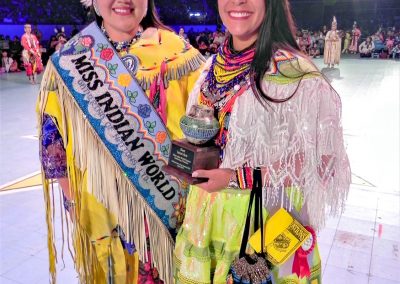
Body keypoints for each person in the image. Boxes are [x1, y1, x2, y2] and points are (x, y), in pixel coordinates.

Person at [174, 0, 351, 283]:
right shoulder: (211, 67)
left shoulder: (296, 74)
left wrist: (236, 177)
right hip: (205, 226)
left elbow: (325, 162)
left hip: (263, 231)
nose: (238, 2)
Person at [36, 0, 204, 282]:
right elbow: (52, 142)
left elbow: (203, 128)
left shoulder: (176, 52)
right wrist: (74, 202)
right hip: (100, 207)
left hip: (165, 205)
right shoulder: (72, 58)